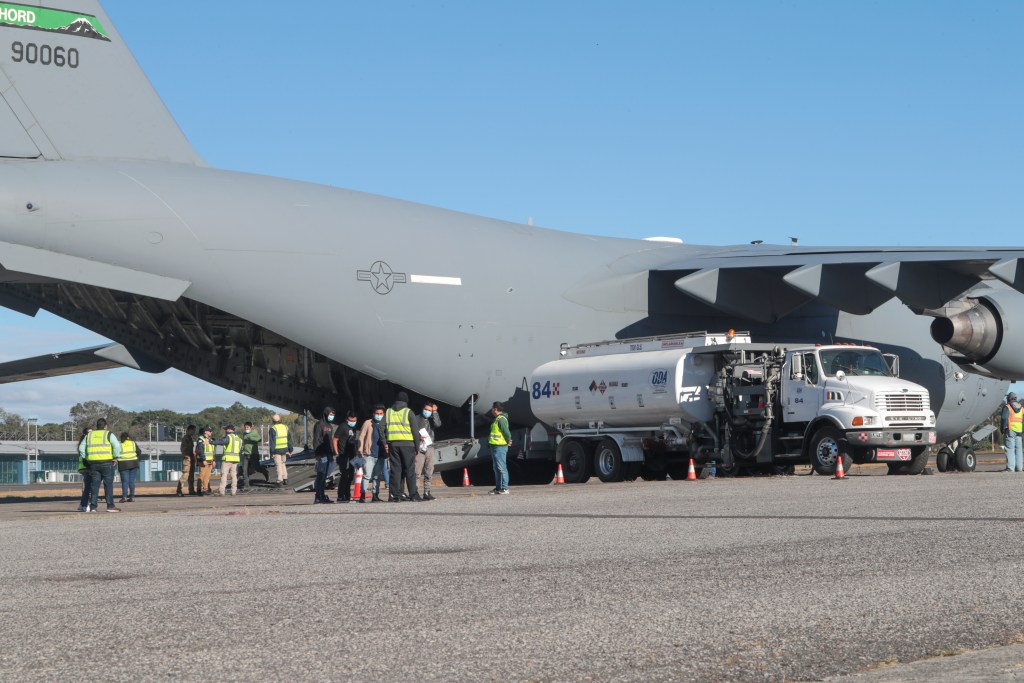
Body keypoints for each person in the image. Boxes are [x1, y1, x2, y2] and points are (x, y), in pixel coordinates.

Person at [79, 418, 122, 512]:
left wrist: (86, 457)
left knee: (94, 485)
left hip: (93, 463)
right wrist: (116, 457)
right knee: (108, 485)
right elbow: (117, 446)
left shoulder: (89, 435)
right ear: (105, 426)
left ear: (97, 426)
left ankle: (93, 507)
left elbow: (81, 448)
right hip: (107, 462)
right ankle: (110, 506)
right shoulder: (109, 434)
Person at [386, 391, 419, 502]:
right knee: (410, 470)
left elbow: (381, 427)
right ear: (406, 401)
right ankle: (413, 495)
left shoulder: (389, 412)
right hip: (408, 445)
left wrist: (385, 441)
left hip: (393, 444)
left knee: (395, 471)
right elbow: (415, 431)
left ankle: (394, 495)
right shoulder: (409, 412)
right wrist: (417, 447)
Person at [411, 401, 442, 501]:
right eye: (426, 410)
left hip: (430, 446)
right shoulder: (416, 418)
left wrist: (435, 412)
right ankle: (414, 492)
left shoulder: (432, 419)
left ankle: (427, 492)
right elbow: (411, 431)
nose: (427, 412)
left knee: (429, 470)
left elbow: (438, 424)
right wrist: (417, 437)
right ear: (422, 409)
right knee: (417, 472)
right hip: (420, 447)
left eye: (429, 410)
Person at [358, 404, 389, 502]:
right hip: (369, 454)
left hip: (381, 455)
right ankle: (362, 494)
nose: (379, 415)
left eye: (381, 414)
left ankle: (375, 495)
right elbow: (361, 436)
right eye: (377, 413)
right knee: (367, 475)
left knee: (377, 476)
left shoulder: (386, 424)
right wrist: (360, 449)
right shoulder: (368, 423)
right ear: (373, 414)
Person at [311, 407, 337, 504]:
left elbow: (330, 441)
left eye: (333, 414)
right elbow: (316, 439)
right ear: (326, 413)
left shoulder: (329, 426)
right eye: (330, 414)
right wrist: (317, 454)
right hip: (321, 454)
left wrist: (332, 453)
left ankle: (322, 495)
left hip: (328, 454)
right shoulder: (319, 424)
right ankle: (318, 496)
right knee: (320, 476)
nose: (332, 416)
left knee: (325, 476)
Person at [333, 411, 360, 502]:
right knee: (344, 475)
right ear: (347, 419)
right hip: (343, 454)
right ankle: (340, 496)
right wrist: (337, 452)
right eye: (350, 420)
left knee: (351, 476)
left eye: (354, 420)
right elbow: (335, 439)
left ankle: (347, 496)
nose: (352, 422)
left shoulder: (354, 427)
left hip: (352, 454)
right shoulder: (343, 426)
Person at [488, 402, 511, 495]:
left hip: (500, 447)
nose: (491, 410)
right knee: (496, 468)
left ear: (495, 409)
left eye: (492, 408)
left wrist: (508, 440)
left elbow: (506, 432)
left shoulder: (501, 419)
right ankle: (498, 488)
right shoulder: (497, 419)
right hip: (495, 446)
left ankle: (505, 488)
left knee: (502, 468)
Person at [213, 425, 243, 496]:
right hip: (235, 459)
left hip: (227, 459)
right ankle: (233, 491)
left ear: (229, 430)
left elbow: (221, 442)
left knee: (224, 475)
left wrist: (212, 442)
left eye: (226, 430)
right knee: (234, 475)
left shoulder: (228, 437)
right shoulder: (239, 439)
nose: (225, 431)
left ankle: (222, 491)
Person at [241, 421, 269, 489]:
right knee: (244, 470)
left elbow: (259, 439)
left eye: (247, 427)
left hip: (253, 454)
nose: (246, 429)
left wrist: (251, 438)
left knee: (257, 468)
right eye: (245, 427)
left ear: (251, 427)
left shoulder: (254, 432)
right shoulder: (244, 433)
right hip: (246, 454)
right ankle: (246, 485)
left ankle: (265, 472)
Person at [1002, 392, 1024, 472]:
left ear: (1009, 398)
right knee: (1018, 449)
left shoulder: (1007, 407)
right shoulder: (1022, 408)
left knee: (1010, 449)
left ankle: (1010, 468)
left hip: (1010, 430)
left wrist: (1002, 429)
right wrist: (1022, 430)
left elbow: (1004, 418)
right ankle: (1019, 468)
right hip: (1019, 431)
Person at [117, 431, 141, 502]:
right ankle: (132, 496)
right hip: (133, 463)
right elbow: (139, 452)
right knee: (131, 481)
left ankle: (124, 497)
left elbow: (116, 453)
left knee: (125, 481)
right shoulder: (133, 443)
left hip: (123, 464)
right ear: (128, 437)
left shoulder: (120, 445)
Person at [269, 414, 292, 486]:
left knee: (278, 464)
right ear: (280, 419)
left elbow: (272, 442)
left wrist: (271, 452)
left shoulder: (273, 429)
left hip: (277, 450)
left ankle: (280, 480)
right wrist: (290, 449)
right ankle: (285, 478)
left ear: (273, 421)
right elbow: (289, 439)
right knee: (283, 463)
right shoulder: (285, 427)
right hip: (284, 449)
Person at [76, 427, 94, 512]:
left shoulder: (82, 443)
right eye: (89, 433)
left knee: (87, 487)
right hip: (87, 467)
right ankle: (87, 505)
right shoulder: (87, 443)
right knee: (89, 488)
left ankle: (82, 504)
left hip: (83, 468)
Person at [194, 426, 216, 496]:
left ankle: (205, 489)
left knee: (207, 476)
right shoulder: (201, 439)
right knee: (202, 475)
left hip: (210, 460)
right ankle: (199, 490)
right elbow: (200, 450)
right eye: (210, 431)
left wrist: (214, 460)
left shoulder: (210, 440)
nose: (211, 432)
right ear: (205, 432)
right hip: (203, 460)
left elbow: (213, 451)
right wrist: (203, 459)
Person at [178, 425, 197, 496]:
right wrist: (186, 456)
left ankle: (191, 490)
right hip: (187, 459)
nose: (194, 432)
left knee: (191, 476)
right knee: (185, 474)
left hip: (191, 458)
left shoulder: (190, 438)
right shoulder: (185, 438)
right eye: (193, 430)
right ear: (189, 430)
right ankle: (179, 490)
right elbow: (183, 449)